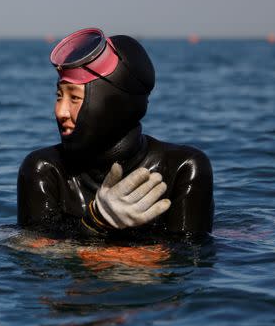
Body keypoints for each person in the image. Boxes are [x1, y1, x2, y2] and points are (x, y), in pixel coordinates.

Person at [17, 28, 213, 239]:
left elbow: (191, 259)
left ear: (114, 104)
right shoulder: (45, 170)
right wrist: (94, 221)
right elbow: (35, 256)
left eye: (74, 98)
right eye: (59, 96)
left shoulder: (182, 169)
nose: (60, 111)